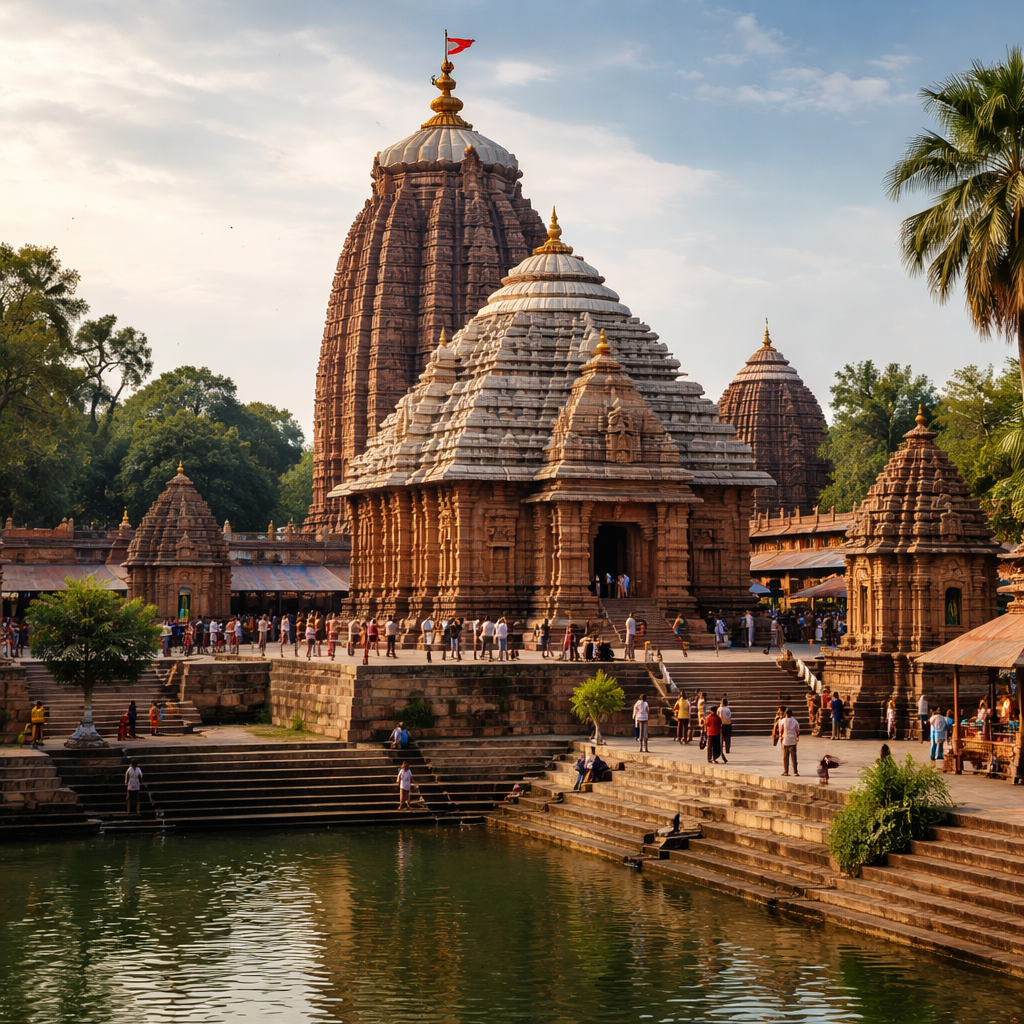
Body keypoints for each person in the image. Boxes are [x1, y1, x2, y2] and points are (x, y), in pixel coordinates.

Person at [779, 708, 800, 776]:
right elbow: (797, 730)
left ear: (786, 714)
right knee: (794, 757)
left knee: (785, 757)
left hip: (785, 740)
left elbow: (781, 730)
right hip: (793, 740)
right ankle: (795, 772)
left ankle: (786, 771)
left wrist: (781, 738)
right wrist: (797, 737)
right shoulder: (795, 721)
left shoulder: (783, 721)